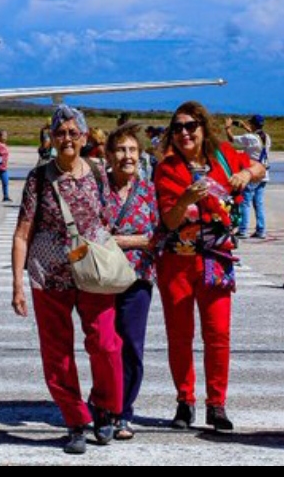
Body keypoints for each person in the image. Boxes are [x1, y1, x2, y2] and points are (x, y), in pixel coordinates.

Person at [11, 105, 123, 455]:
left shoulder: (98, 173)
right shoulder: (39, 178)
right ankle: (75, 420)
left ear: (85, 137)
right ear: (52, 138)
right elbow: (22, 233)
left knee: (105, 343)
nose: (67, 138)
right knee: (57, 353)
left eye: (74, 132)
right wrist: (18, 282)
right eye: (60, 133)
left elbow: (109, 220)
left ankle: (106, 408)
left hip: (91, 271)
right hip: (50, 275)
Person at [153, 101, 265, 433]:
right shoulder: (167, 168)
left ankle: (216, 404)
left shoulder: (224, 157)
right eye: (178, 128)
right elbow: (169, 220)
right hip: (178, 262)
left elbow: (258, 167)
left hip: (216, 260)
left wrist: (245, 173)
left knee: (218, 334)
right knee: (180, 335)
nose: (184, 133)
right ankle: (184, 401)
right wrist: (186, 199)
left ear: (203, 129)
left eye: (191, 126)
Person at [103, 122, 159, 440]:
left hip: (138, 280)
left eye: (133, 150)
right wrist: (135, 240)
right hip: (103, 279)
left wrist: (120, 239)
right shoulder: (98, 190)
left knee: (132, 348)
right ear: (109, 155)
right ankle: (103, 405)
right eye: (121, 149)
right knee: (104, 346)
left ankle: (123, 411)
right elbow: (91, 234)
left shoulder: (149, 192)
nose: (127, 155)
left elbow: (157, 235)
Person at [225, 114, 272, 240]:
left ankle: (243, 229)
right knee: (259, 203)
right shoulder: (266, 137)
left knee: (245, 202)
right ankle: (261, 230)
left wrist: (228, 128)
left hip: (251, 173)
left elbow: (232, 139)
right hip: (264, 173)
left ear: (252, 124)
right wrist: (246, 128)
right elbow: (256, 137)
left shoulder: (249, 137)